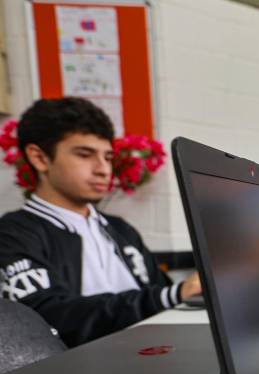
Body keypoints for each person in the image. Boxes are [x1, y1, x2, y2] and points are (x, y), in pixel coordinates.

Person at [0, 97, 200, 347]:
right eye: (85, 155)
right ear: (39, 158)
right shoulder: (14, 234)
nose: (104, 169)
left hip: (155, 353)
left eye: (107, 157)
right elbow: (46, 319)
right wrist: (173, 294)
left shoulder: (119, 229)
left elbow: (165, 298)